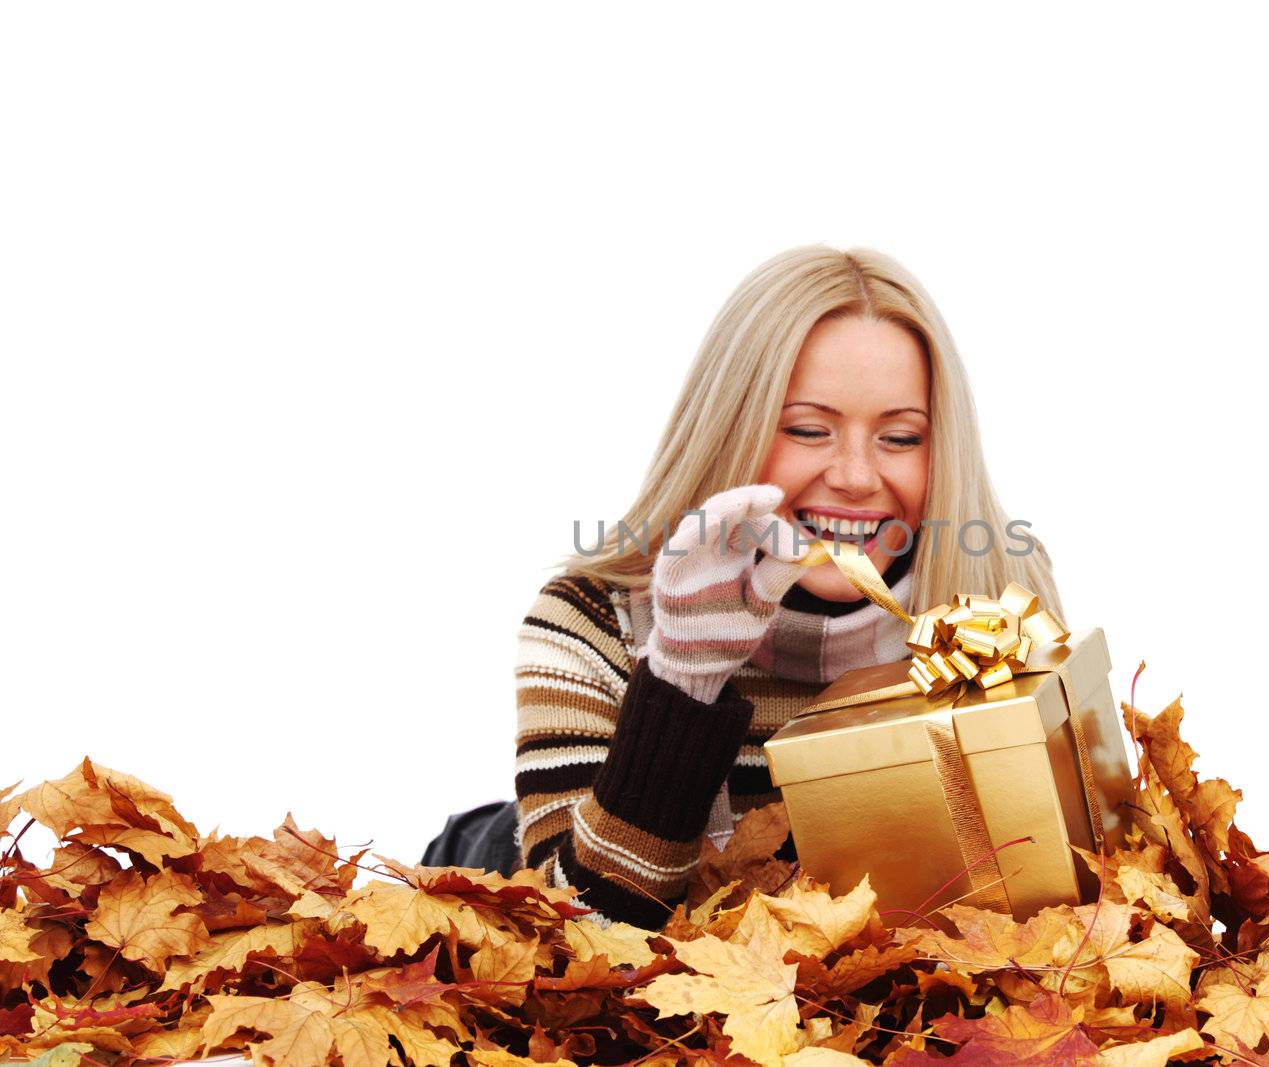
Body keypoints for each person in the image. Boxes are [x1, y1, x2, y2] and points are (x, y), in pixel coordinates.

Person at [420, 244, 1064, 929]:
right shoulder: (589, 619)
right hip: (519, 859)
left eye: (901, 438)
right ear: (733, 429)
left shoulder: (998, 602)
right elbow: (568, 946)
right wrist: (682, 683)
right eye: (808, 429)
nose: (854, 475)